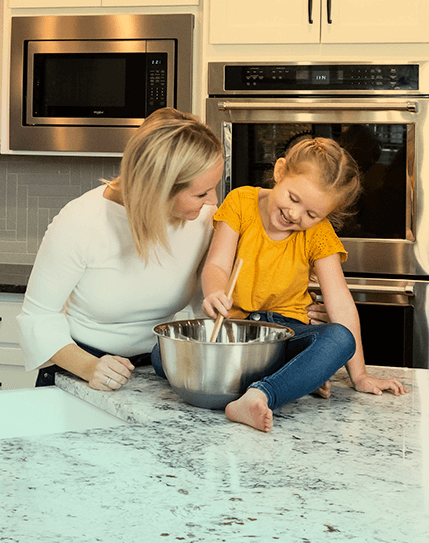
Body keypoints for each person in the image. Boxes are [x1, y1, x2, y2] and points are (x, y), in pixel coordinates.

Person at [201, 137, 409, 433]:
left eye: (312, 214)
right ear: (280, 172)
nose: (295, 215)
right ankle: (297, 377)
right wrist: (214, 291)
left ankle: (261, 394)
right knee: (161, 358)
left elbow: (340, 302)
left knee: (340, 339)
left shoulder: (319, 233)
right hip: (241, 330)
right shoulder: (240, 202)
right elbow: (217, 264)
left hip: (288, 331)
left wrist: (360, 375)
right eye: (294, 198)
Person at [17, 108, 223, 390]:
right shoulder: (81, 220)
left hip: (159, 370)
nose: (213, 200)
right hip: (80, 370)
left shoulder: (203, 219)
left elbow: (204, 303)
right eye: (201, 193)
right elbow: (37, 318)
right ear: (159, 189)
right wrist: (89, 367)